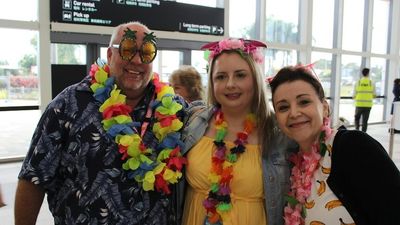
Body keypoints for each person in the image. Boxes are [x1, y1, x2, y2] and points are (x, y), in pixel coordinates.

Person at [14, 21, 187, 225]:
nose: (137, 60)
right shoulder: (68, 105)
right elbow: (33, 179)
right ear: (110, 55)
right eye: (127, 50)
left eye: (147, 52)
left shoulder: (175, 110)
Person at [179, 38, 292, 225]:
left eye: (240, 75)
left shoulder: (278, 133)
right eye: (221, 77)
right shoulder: (192, 121)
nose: (230, 84)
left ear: (255, 79)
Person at [269, 65, 400, 225]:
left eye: (303, 102)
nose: (294, 113)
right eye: (283, 107)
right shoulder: (293, 165)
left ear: (324, 108)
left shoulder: (352, 146)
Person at [353, 67, 376, 132]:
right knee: (365, 121)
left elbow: (354, 94)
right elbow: (374, 95)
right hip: (368, 105)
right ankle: (363, 133)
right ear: (368, 73)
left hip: (359, 104)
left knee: (357, 118)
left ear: (362, 73)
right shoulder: (371, 83)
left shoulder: (358, 82)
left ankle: (357, 130)